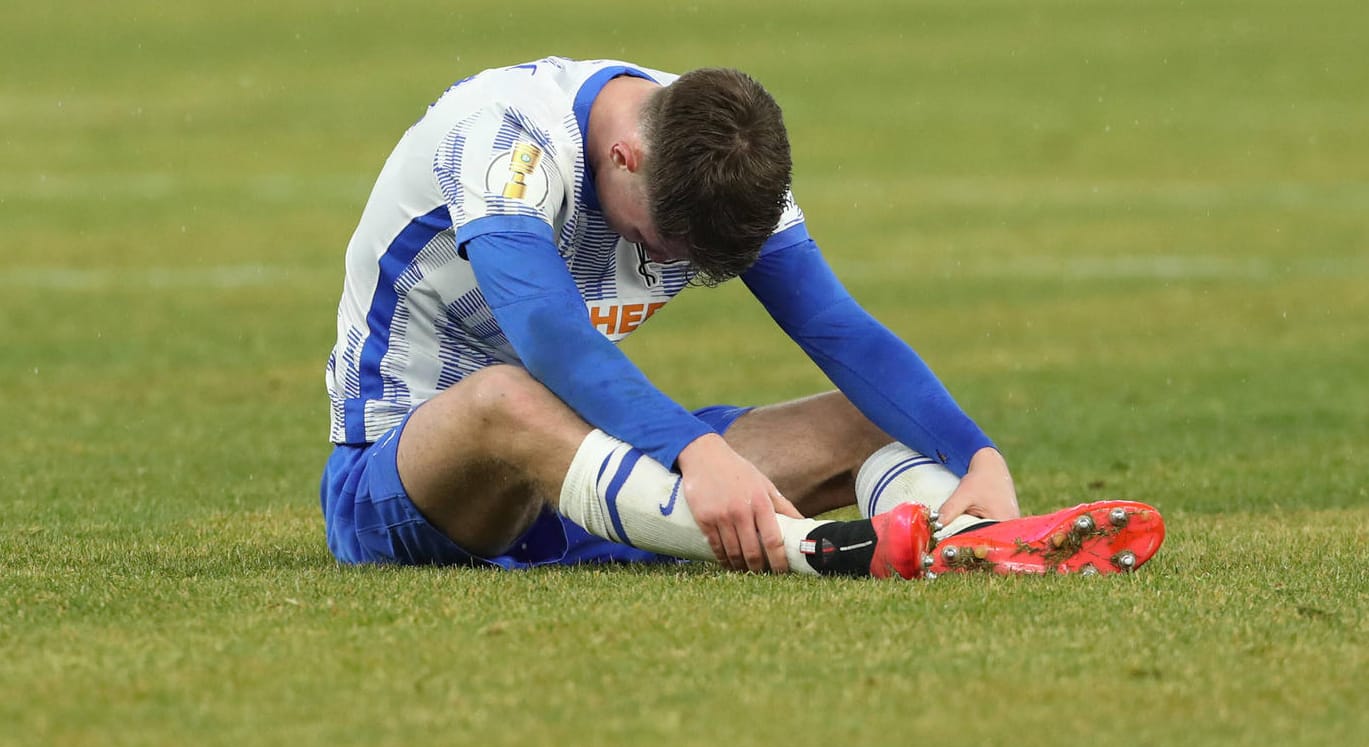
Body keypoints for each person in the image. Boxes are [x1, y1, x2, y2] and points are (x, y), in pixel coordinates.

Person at [320, 56, 1164, 579]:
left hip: (601, 482)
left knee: (862, 420)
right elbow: (548, 335)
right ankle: (823, 554)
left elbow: (838, 330)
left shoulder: (720, 151)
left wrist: (976, 453)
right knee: (502, 397)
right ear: (625, 157)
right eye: (667, 243)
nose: (672, 266)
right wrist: (697, 450)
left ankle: (962, 541)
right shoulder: (506, 142)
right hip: (405, 483)